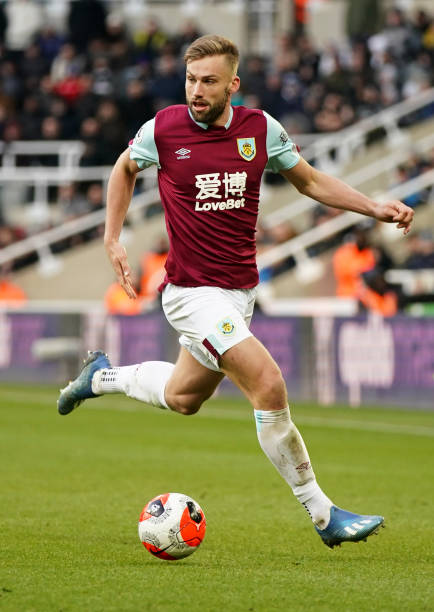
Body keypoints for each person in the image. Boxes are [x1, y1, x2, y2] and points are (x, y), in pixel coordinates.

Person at [57, 35, 414, 549]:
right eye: (190, 80)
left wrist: (374, 207)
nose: (196, 91)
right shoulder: (162, 129)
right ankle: (324, 514)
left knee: (183, 398)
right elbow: (124, 169)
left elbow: (310, 182)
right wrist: (112, 236)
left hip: (238, 294)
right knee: (267, 385)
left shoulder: (260, 130)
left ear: (233, 85)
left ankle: (101, 376)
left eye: (208, 82)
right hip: (190, 293)